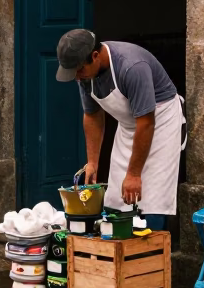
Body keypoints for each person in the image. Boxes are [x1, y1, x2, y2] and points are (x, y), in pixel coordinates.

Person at [55, 29, 186, 229]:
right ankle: (121, 255)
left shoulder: (132, 67)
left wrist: (134, 174)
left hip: (160, 123)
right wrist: (92, 162)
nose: (77, 77)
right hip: (129, 125)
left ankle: (150, 255)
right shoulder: (84, 75)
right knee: (116, 197)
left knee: (153, 196)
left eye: (79, 70)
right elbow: (92, 115)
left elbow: (146, 122)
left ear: (95, 56)